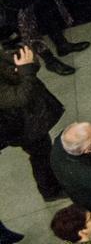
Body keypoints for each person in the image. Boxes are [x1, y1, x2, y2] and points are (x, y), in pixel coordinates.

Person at [0, 45, 66, 203]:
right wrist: (25, 71)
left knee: (43, 151)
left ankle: (53, 182)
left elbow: (19, 63)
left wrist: (26, 67)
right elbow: (20, 97)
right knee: (40, 154)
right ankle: (50, 190)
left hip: (27, 118)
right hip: (21, 125)